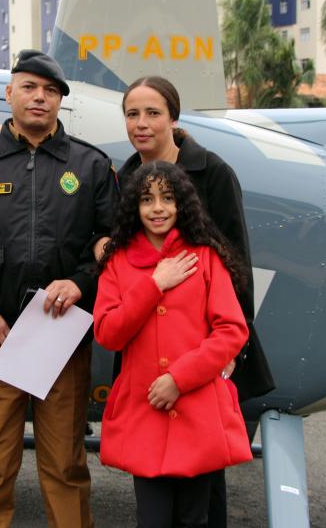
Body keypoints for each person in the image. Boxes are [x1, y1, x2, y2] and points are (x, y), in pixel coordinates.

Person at [0, 49, 116, 528]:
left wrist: (79, 282)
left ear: (60, 103)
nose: (39, 97)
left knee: (66, 467)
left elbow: (115, 247)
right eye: (29, 87)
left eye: (51, 91)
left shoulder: (90, 168)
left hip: (62, 342)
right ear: (9, 93)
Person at [108, 75, 276, 527]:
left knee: (206, 482)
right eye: (132, 114)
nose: (142, 124)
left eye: (153, 113)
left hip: (206, 354)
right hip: (147, 354)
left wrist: (230, 352)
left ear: (173, 118)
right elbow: (114, 248)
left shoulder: (212, 172)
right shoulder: (124, 177)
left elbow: (236, 261)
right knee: (157, 495)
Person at [93, 161, 254, 527]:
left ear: (182, 204)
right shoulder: (117, 263)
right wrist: (154, 285)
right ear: (135, 207)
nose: (158, 208)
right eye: (147, 199)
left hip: (197, 410)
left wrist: (179, 379)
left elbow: (231, 329)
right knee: (151, 518)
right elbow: (108, 332)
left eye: (167, 198)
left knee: (194, 518)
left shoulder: (205, 257)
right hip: (145, 412)